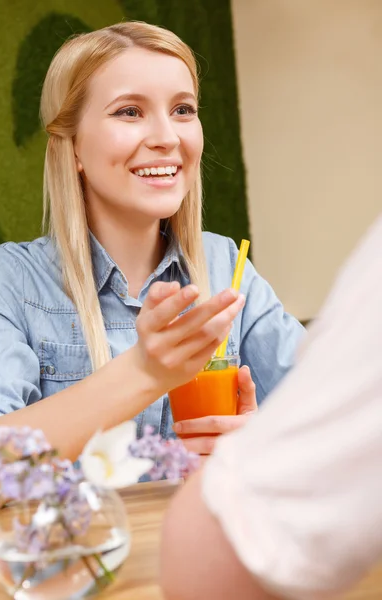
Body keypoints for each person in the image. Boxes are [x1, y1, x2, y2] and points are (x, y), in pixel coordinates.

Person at [0, 22, 303, 505]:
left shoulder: (226, 268)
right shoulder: (7, 279)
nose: (166, 136)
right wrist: (145, 372)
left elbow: (344, 422)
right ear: (71, 148)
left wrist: (263, 448)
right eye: (130, 111)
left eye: (182, 110)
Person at [160, 214, 382, 600]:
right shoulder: (20, 275)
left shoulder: (224, 259)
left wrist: (261, 440)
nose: (166, 147)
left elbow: (317, 407)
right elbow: (16, 454)